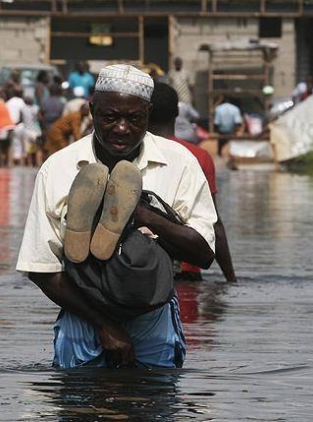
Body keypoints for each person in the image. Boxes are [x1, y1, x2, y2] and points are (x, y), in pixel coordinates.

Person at [17, 64, 217, 369]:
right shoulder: (59, 167)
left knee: (148, 403)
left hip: (152, 309)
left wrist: (142, 216)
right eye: (110, 117)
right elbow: (41, 268)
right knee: (85, 405)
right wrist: (105, 326)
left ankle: (128, 217)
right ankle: (93, 229)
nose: (122, 128)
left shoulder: (180, 163)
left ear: (148, 115)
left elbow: (203, 254)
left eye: (134, 119)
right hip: (85, 311)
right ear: (92, 110)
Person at [149, 82, 237, 283]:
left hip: (140, 269)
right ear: (178, 112)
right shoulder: (199, 156)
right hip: (187, 271)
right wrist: (231, 278)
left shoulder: (130, 153)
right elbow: (214, 222)